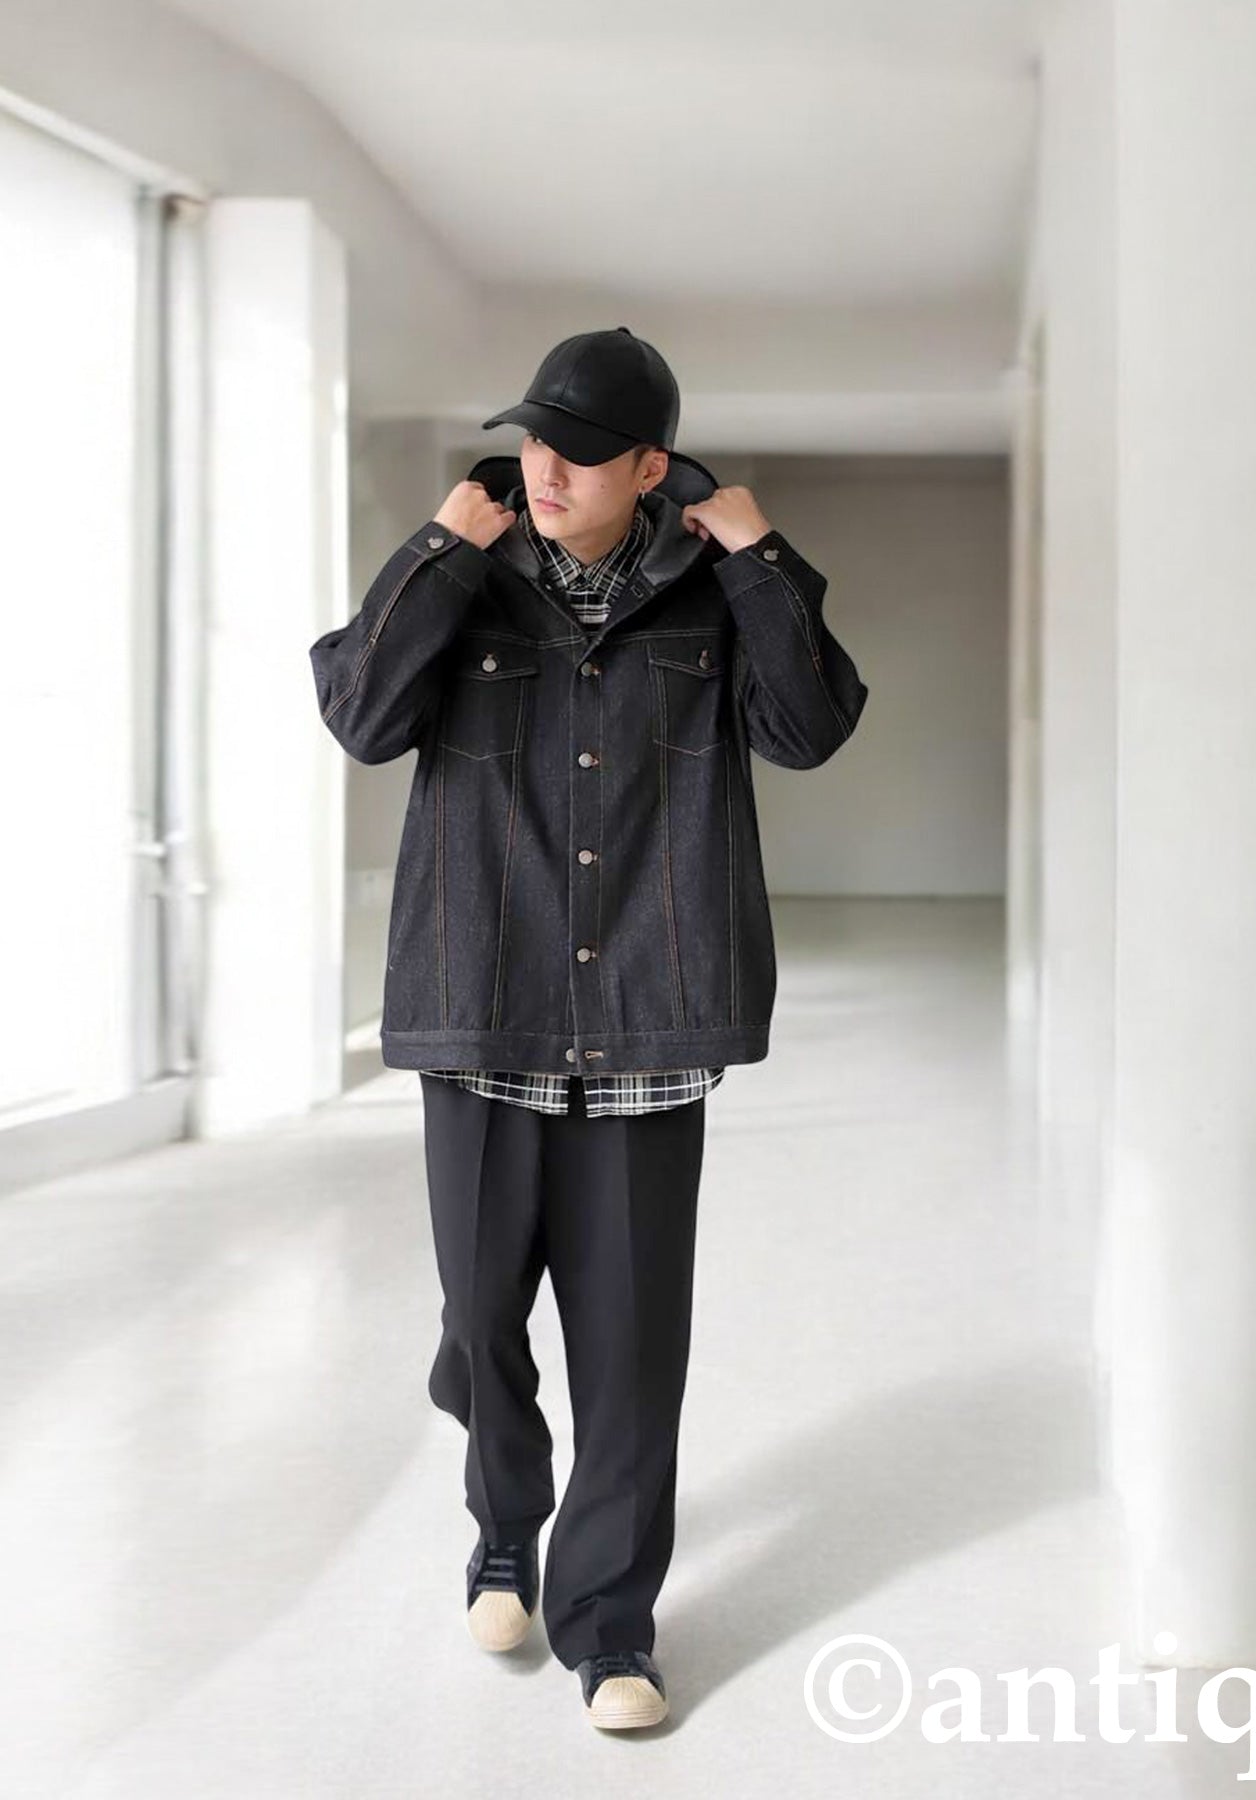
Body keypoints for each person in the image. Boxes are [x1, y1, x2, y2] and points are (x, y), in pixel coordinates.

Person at [309, 326, 868, 1729]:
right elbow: (360, 715)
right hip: (482, 1007)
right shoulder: (468, 578)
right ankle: (506, 1529)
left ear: (651, 469)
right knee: (481, 1323)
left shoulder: (713, 596)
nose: (545, 469)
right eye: (535, 442)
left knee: (629, 1358)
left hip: (645, 1019)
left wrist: (760, 554)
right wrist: (438, 552)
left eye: (581, 452)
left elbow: (809, 728)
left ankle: (610, 1629)